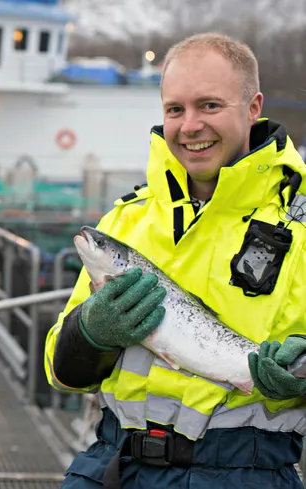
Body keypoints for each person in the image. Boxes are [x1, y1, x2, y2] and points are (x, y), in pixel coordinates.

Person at [44, 32, 306, 489]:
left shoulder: (302, 226)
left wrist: (301, 371)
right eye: (175, 109)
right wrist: (90, 331)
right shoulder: (125, 220)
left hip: (246, 474)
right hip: (113, 466)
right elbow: (60, 372)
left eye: (210, 106)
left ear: (253, 107)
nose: (189, 126)